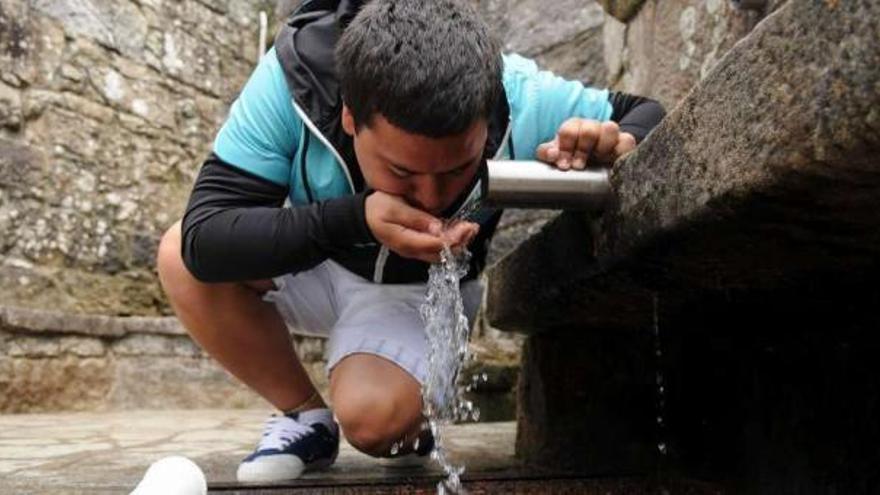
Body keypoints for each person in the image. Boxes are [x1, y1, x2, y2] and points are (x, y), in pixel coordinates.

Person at [156, 0, 665, 483]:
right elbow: (206, 234)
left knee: (376, 424)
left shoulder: (519, 91)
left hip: (418, 292)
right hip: (317, 255)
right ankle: (305, 416)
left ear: (486, 116)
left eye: (457, 169)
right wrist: (353, 218)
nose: (431, 196)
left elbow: (647, 112)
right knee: (179, 255)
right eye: (403, 170)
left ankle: (409, 400)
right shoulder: (292, 80)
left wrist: (615, 140)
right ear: (351, 116)